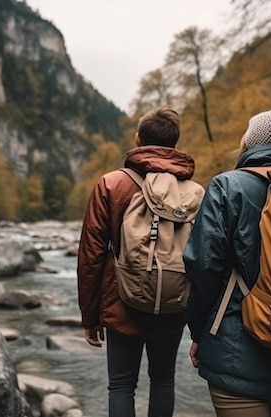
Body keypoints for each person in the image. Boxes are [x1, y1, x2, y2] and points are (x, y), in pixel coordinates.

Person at [183, 109, 271, 417]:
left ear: (251, 143)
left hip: (236, 345)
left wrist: (198, 332)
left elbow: (203, 267)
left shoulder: (228, 186)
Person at [77, 106, 195, 417]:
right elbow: (203, 258)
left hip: (121, 299)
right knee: (164, 381)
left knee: (121, 385)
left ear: (138, 139)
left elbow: (92, 254)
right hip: (173, 300)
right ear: (175, 143)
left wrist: (90, 317)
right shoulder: (192, 191)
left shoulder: (112, 184)